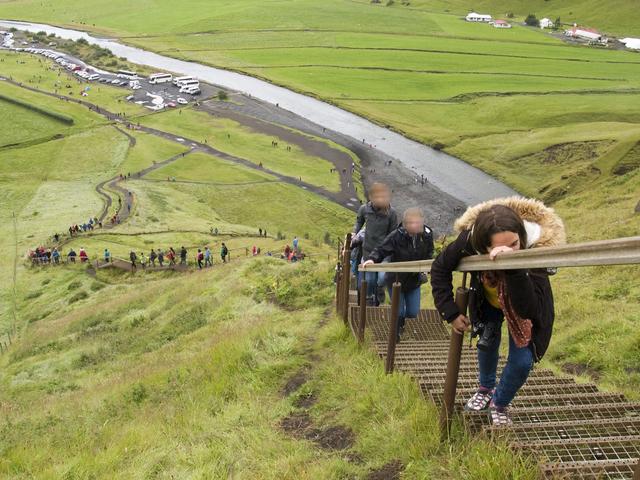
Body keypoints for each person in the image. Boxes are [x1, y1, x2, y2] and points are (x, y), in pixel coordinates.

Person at [430, 198, 565, 426]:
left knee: (522, 361)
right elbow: (440, 268)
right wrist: (450, 312)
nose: (508, 250)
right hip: (488, 299)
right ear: (483, 246)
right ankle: (485, 388)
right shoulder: (469, 240)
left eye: (514, 244)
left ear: (521, 237)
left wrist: (512, 265)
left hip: (523, 304)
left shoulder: (538, 249)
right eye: (496, 248)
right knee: (487, 341)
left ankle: (499, 402)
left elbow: (528, 308)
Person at [362, 208, 434, 342]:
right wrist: (372, 259)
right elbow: (382, 249)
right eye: (412, 223)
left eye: (418, 222)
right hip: (396, 279)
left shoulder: (427, 235)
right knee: (399, 311)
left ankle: (400, 325)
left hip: (413, 279)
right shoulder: (397, 235)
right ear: (406, 224)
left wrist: (427, 268)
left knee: (413, 312)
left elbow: (429, 252)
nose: (415, 225)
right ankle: (395, 335)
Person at [353, 182, 399, 306]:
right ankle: (370, 304)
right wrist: (354, 234)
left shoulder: (392, 213)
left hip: (384, 254)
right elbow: (359, 222)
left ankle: (379, 292)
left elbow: (393, 234)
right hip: (368, 252)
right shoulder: (364, 209)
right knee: (369, 281)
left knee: (382, 278)